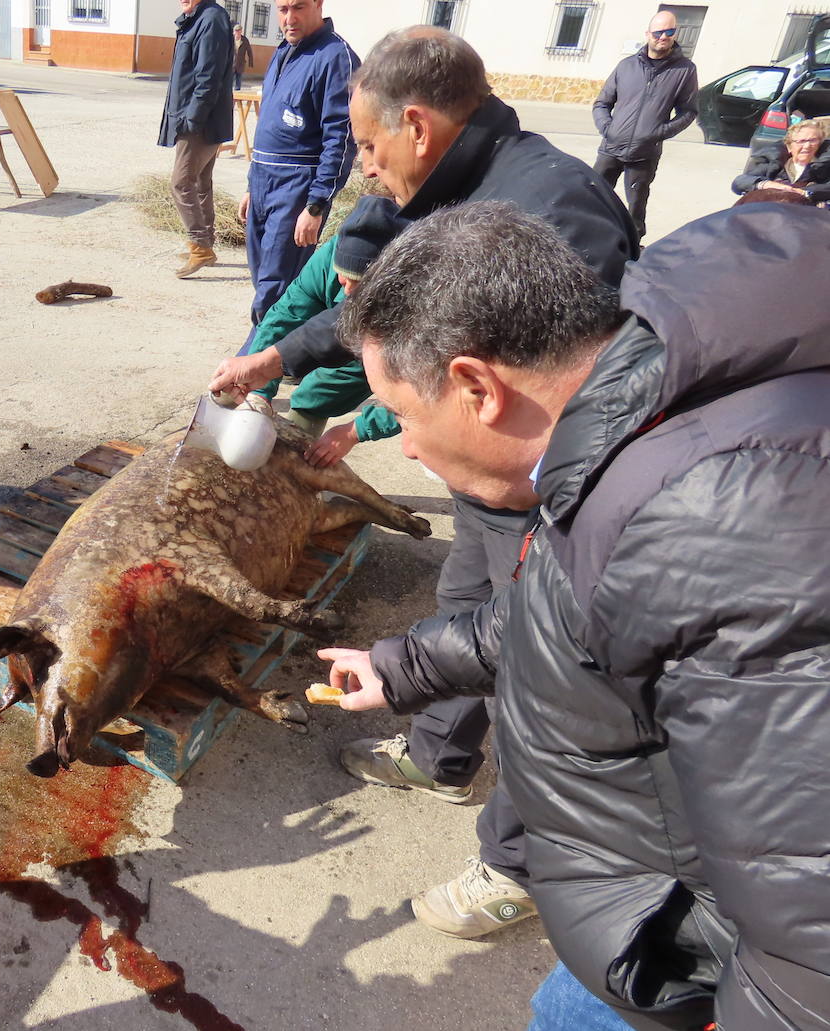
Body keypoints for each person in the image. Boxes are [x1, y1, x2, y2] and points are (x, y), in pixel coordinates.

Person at [322, 198, 830, 1031]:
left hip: (713, 972)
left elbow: (814, 929)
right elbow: (574, 610)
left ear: (476, 387)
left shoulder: (719, 524)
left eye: (405, 417)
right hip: (652, 919)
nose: (406, 447)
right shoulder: (632, 427)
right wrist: (403, 666)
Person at [209, 27, 638, 940]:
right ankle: (439, 755)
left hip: (547, 486)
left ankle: (521, 865)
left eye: (366, 146)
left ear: (414, 124)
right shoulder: (450, 188)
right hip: (493, 482)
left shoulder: (555, 210)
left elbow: (565, 391)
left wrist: (390, 425)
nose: (363, 167)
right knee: (465, 602)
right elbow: (381, 314)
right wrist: (275, 356)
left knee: (547, 668)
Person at [247, 193, 406, 461]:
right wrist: (259, 389)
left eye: (361, 284)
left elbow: (431, 395)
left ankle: (298, 462)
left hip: (386, 337)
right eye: (345, 280)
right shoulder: (328, 260)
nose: (349, 291)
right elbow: (284, 317)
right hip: (350, 328)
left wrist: (356, 431)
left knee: (316, 394)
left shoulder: (423, 291)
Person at [238, 0, 359, 340]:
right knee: (265, 278)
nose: (288, 19)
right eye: (282, 9)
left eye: (298, 7)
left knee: (274, 288)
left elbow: (341, 138)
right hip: (264, 181)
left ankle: (255, 372)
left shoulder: (337, 58)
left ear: (318, 4)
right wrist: (252, 185)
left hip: (297, 186)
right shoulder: (282, 52)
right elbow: (268, 127)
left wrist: (317, 204)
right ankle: (292, 353)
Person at [591, 10, 698, 240]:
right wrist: (608, 129)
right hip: (611, 148)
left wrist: (658, 133)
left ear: (674, 34)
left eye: (669, 32)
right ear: (648, 33)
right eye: (659, 32)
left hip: (644, 154)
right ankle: (587, 239)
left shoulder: (684, 70)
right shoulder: (626, 66)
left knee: (635, 210)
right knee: (592, 197)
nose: (663, 37)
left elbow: (688, 112)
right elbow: (601, 103)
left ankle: (631, 252)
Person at [159, 0, 233, 279]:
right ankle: (205, 244)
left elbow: (208, 77)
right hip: (198, 117)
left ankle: (200, 245)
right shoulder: (198, 17)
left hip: (201, 121)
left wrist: (193, 119)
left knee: (181, 181)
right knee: (201, 182)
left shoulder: (211, 19)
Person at [731, 119, 830, 204]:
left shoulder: (825, 166)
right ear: (789, 146)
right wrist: (766, 184)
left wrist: (804, 192)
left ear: (820, 144)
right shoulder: (774, 162)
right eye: (802, 141)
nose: (807, 146)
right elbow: (739, 182)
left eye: (813, 140)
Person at [232, 23, 253, 92]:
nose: (237, 32)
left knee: (238, 79)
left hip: (240, 63)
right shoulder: (230, 39)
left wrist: (251, 62)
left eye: (239, 30)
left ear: (241, 31)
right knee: (229, 80)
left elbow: (249, 51)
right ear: (234, 32)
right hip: (231, 63)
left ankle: (237, 93)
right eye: (236, 31)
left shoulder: (244, 40)